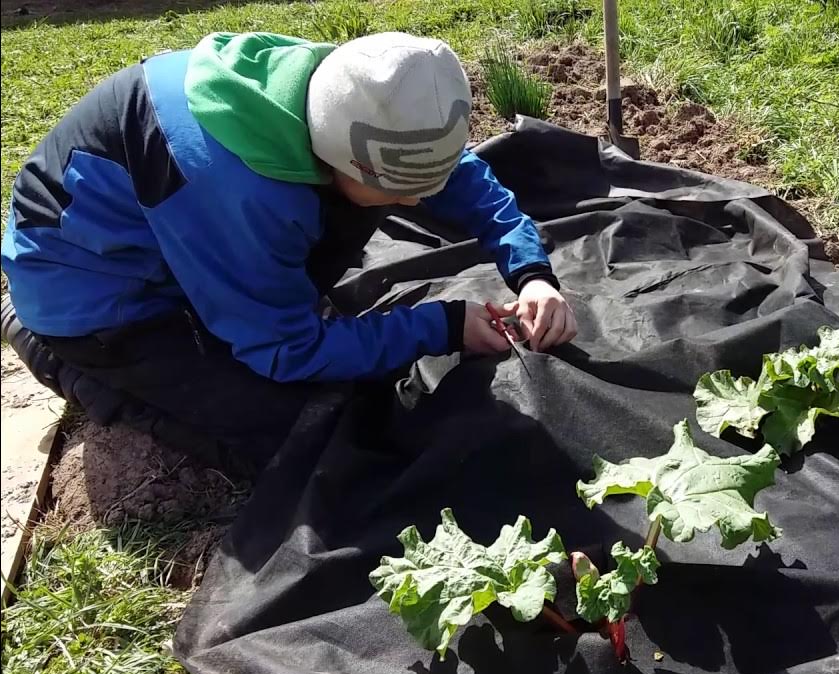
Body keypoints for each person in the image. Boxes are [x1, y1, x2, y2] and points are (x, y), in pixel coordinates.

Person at [0, 31, 576, 477]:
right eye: (400, 193)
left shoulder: (349, 92)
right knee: (291, 422)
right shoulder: (240, 187)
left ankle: (236, 303)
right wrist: (440, 324)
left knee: (329, 267)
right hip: (91, 292)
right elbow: (287, 352)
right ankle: (45, 346)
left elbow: (458, 177)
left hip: (174, 232)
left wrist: (531, 272)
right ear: (336, 159)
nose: (413, 203)